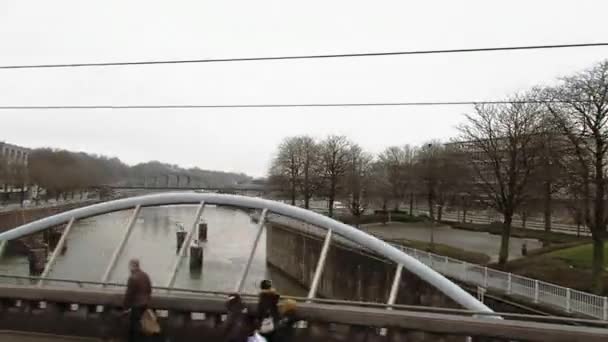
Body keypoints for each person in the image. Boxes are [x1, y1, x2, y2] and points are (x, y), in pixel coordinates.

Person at [123, 258, 152, 342]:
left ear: (132, 266)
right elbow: (149, 289)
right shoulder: (145, 275)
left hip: (137, 305)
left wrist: (125, 307)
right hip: (145, 304)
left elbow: (129, 294)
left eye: (129, 266)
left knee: (134, 326)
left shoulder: (132, 278)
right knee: (143, 325)